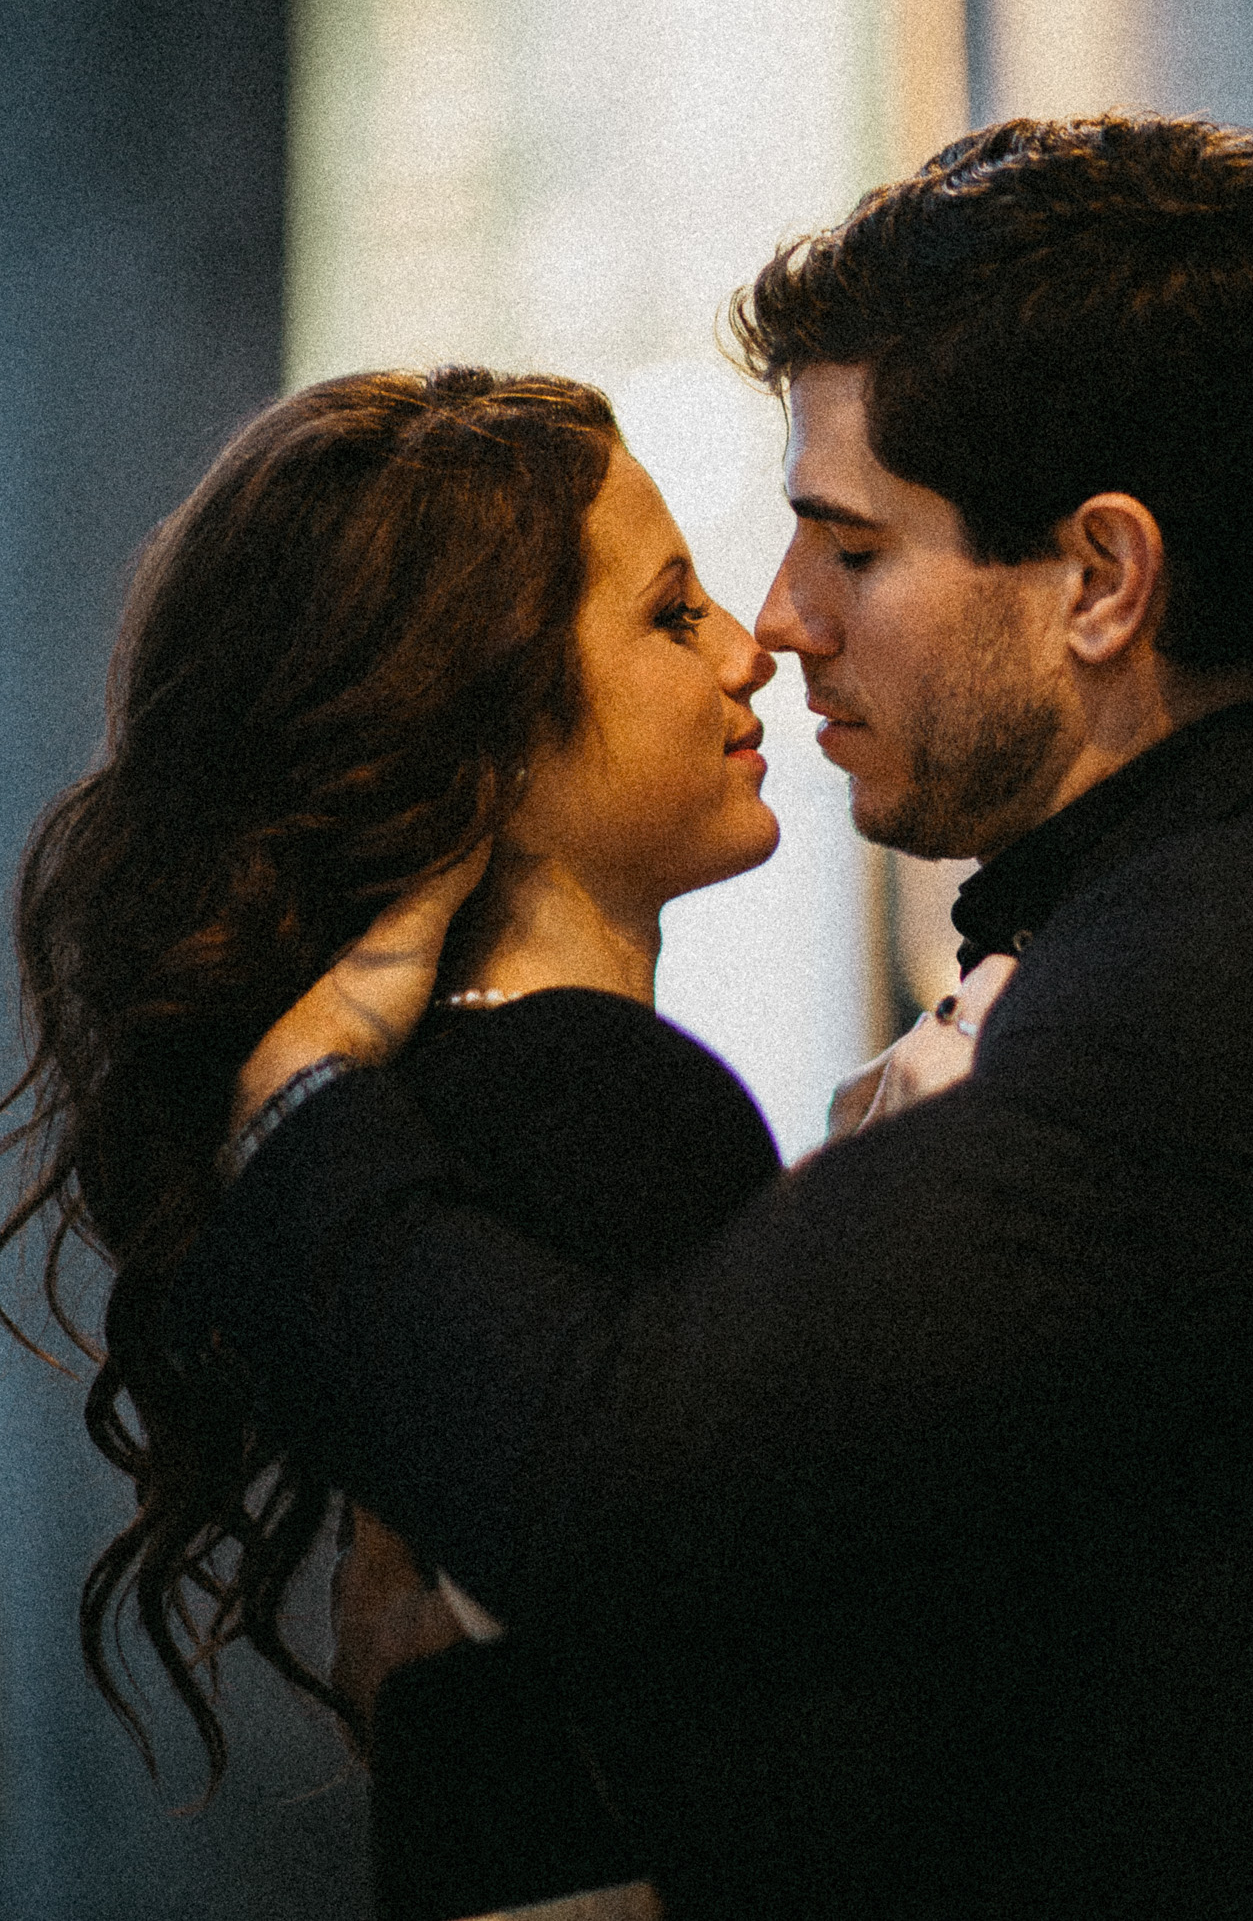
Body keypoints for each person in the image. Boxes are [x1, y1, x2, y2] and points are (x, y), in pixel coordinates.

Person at [167, 114, 1253, 1914]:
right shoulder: (1168, 948)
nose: (778, 622)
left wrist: (299, 1108)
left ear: (1103, 581)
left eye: (850, 550)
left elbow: (615, 1483)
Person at [1, 365, 854, 1920]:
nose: (749, 649)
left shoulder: (410, 1132)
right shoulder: (603, 1104)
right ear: (491, 732)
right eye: (671, 616)